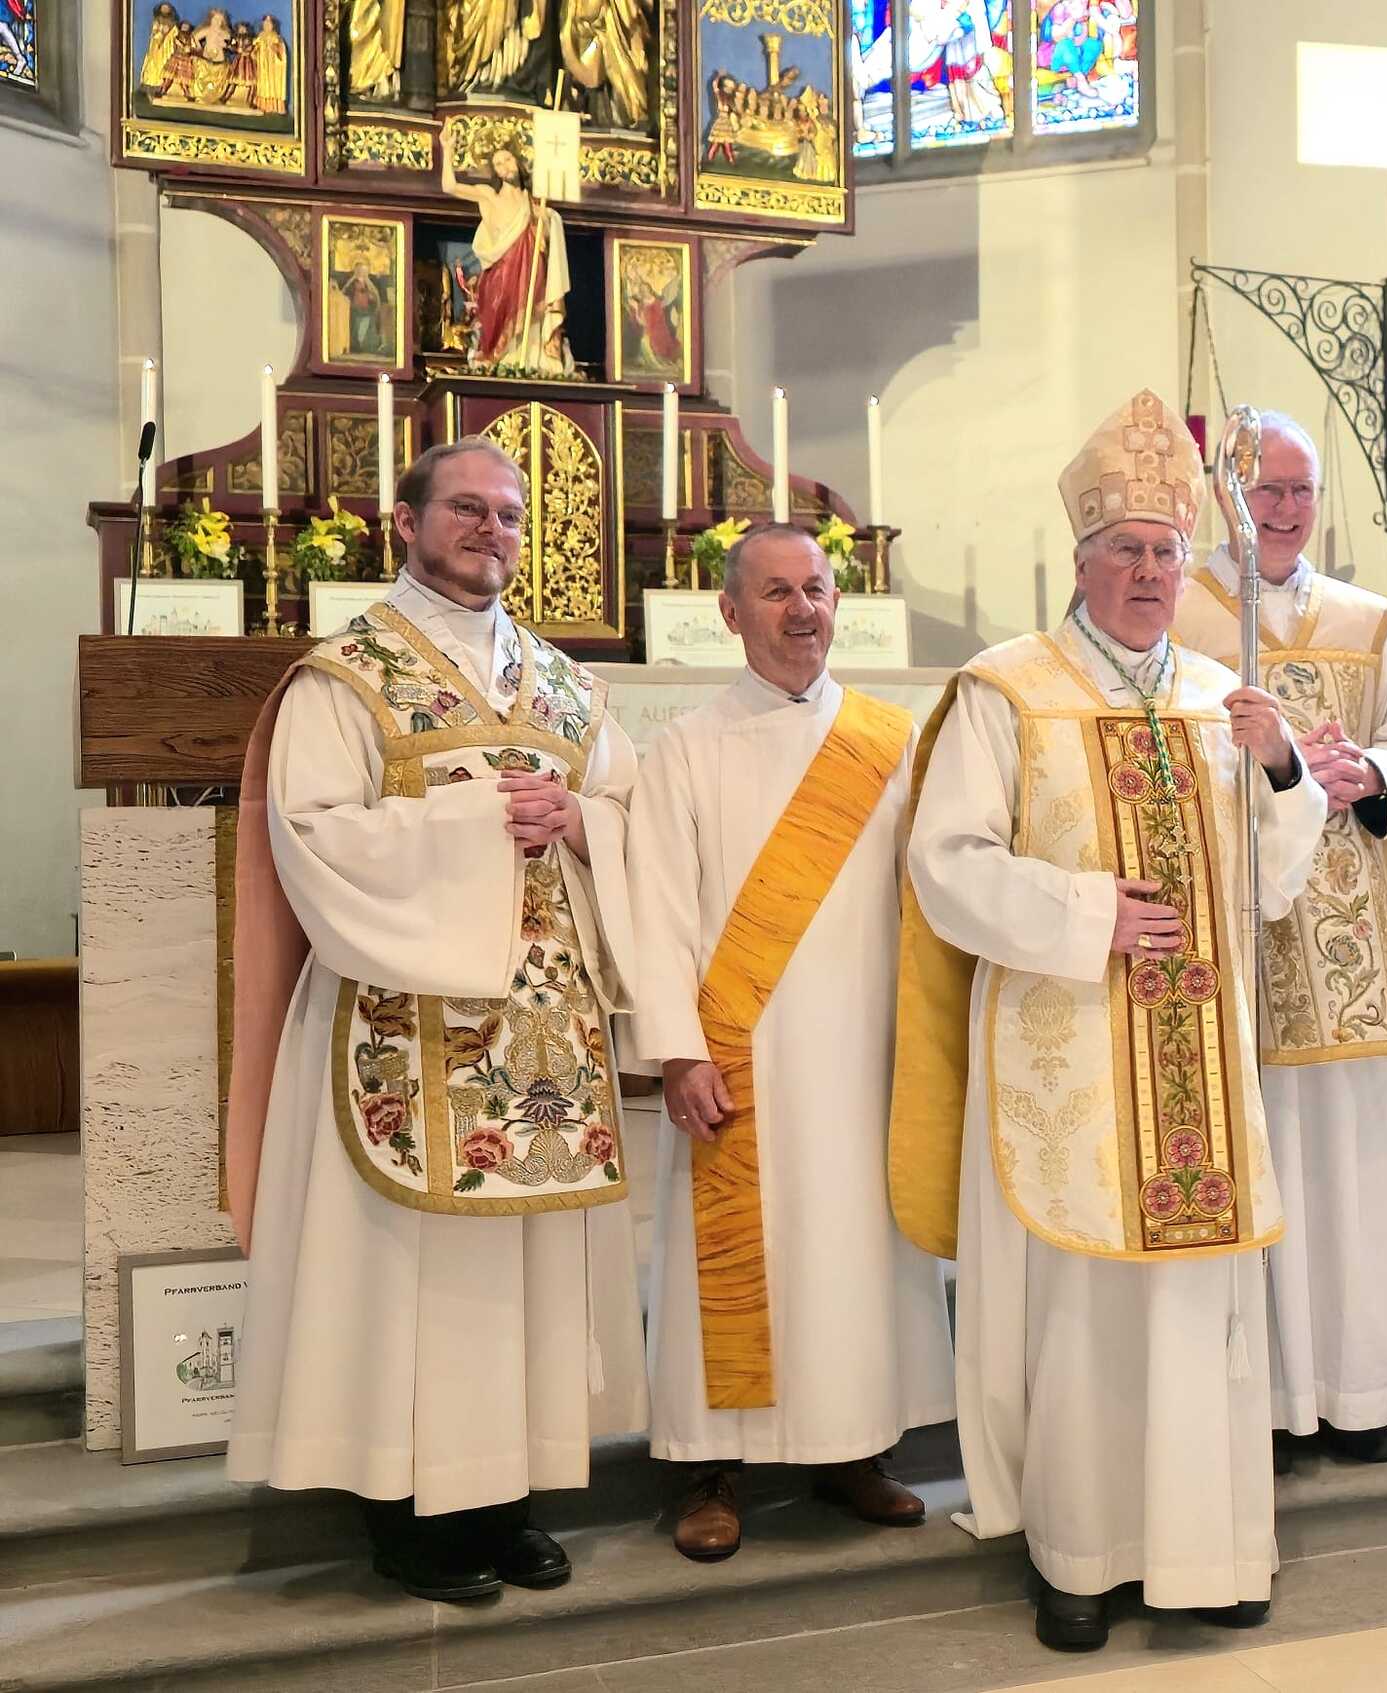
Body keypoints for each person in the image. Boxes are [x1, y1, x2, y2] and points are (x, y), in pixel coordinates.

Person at [894, 389, 1328, 1652]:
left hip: (1198, 1063)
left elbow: (1275, 879)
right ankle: (1079, 1556)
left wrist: (1282, 767)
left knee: (1198, 1311)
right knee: (1084, 1317)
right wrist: (1087, 914)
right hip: (1070, 1056)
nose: (1148, 572)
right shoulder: (1006, 690)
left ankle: (1208, 1552)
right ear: (1080, 560)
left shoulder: (1222, 696)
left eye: (1166, 552)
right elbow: (947, 863)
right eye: (1126, 550)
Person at [224, 438, 648, 1602]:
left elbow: (630, 813)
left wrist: (578, 820)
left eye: (508, 514)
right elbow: (312, 830)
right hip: (402, 1025)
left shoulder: (566, 685)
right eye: (466, 508)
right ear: (406, 523)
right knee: (408, 1283)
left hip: (543, 1040)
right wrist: (475, 826)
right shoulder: (346, 676)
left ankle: (510, 1501)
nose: (490, 529)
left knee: (522, 1281)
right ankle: (409, 1516)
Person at [628, 524, 955, 1561]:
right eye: (776, 592)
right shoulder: (686, 747)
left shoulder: (891, 742)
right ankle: (709, 1469)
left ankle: (854, 1448)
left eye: (815, 588)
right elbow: (654, 911)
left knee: (855, 1253)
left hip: (863, 1055)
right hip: (740, 1057)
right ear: (730, 613)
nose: (802, 609)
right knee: (733, 1263)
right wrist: (678, 1049)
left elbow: (933, 899)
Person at [1172, 411, 1387, 1471]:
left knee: (1353, 1171)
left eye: (1300, 490)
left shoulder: (1370, 623)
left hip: (1348, 933)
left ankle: (1361, 1392)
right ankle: (1272, 1404)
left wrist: (1373, 773)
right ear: (1225, 496)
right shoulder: (1175, 607)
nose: (1283, 510)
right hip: (1232, 927)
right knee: (1260, 1158)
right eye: (1264, 489)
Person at [440, 144, 574, 377]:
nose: (505, 166)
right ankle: (501, 359)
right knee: (499, 320)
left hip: (530, 271)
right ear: (495, 172)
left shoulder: (532, 202)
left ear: (518, 163)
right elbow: (449, 186)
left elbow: (545, 243)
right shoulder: (489, 195)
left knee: (532, 316)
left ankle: (530, 360)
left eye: (508, 160)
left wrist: (547, 220)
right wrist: (447, 149)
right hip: (500, 273)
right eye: (499, 164)